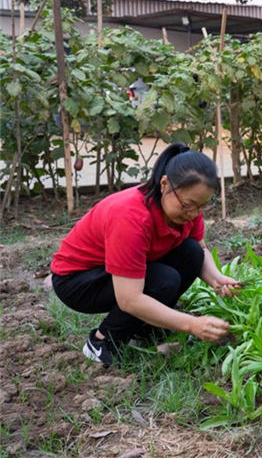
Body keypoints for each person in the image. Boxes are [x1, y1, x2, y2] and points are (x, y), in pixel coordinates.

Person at [51, 143, 238, 367]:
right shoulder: (130, 217)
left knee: (191, 253)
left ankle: (148, 331)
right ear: (165, 184)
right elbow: (129, 299)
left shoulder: (188, 206)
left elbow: (201, 249)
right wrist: (192, 324)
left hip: (115, 272)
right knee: (163, 280)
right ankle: (103, 343)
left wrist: (218, 280)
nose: (194, 213)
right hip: (78, 281)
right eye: (188, 205)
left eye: (202, 206)